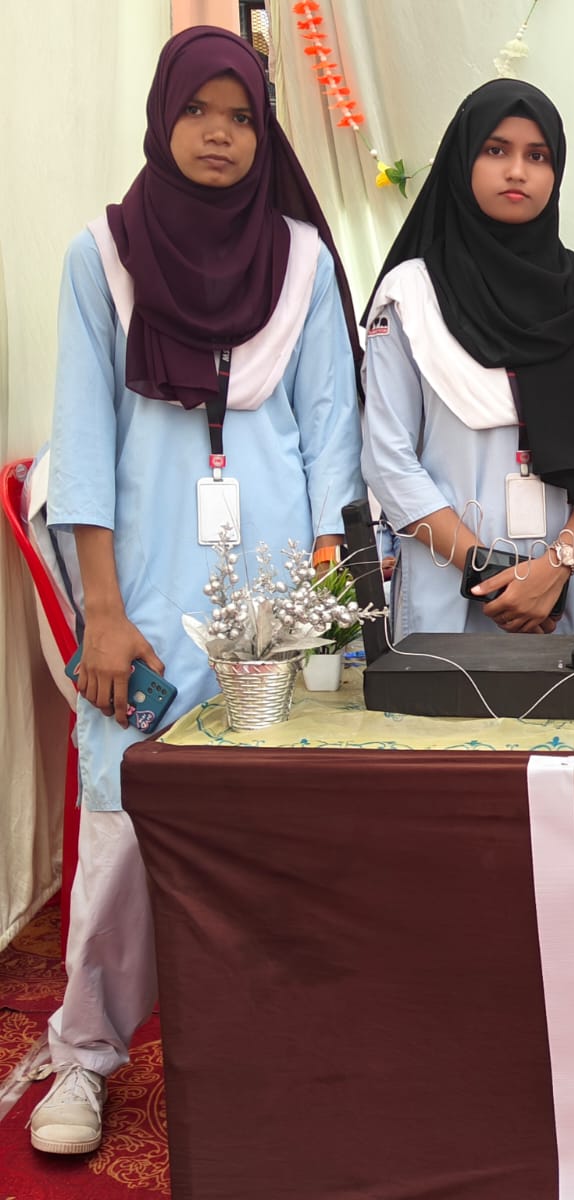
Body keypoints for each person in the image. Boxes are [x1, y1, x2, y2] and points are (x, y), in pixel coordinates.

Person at [31, 27, 363, 1155]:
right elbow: (83, 439)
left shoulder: (303, 263)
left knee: (274, 826)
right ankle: (85, 1056)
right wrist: (102, 612)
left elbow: (331, 432)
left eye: (240, 116)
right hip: (146, 582)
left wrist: (323, 602)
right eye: (196, 112)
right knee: (125, 819)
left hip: (276, 587)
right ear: (160, 119)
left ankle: (279, 1051)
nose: (218, 135)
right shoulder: (103, 256)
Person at [362, 80, 574, 638]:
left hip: (567, 588)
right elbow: (389, 459)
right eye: (496, 150)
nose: (517, 171)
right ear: (463, 161)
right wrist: (489, 571)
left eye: (538, 156)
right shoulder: (411, 296)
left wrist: (553, 569)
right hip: (449, 585)